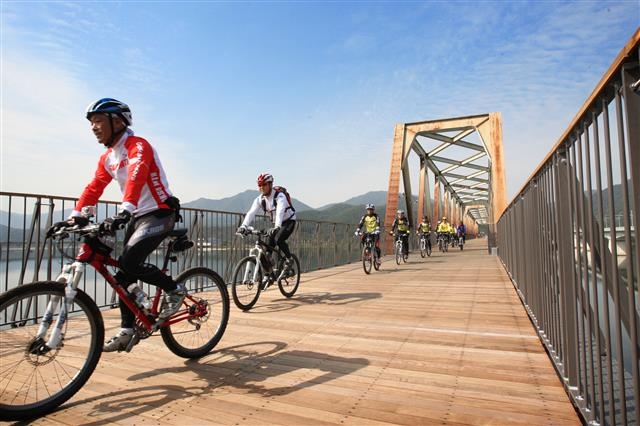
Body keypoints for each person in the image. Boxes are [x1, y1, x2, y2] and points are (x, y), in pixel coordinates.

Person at [47, 98, 184, 353]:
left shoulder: (138, 146)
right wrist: (76, 216)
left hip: (159, 212)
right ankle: (127, 329)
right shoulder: (108, 157)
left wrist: (125, 210)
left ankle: (174, 290)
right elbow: (94, 187)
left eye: (98, 121)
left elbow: (136, 175)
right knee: (123, 274)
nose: (93, 127)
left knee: (130, 262)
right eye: (91, 123)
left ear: (118, 122)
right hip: (136, 216)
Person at [237, 173, 297, 271]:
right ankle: (268, 274)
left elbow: (280, 211)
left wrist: (277, 226)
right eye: (259, 185)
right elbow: (251, 213)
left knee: (278, 239)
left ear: (270, 184)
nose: (261, 187)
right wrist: (243, 226)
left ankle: (289, 259)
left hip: (288, 221)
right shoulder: (260, 199)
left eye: (264, 184)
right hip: (277, 224)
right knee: (266, 253)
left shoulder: (280, 196)